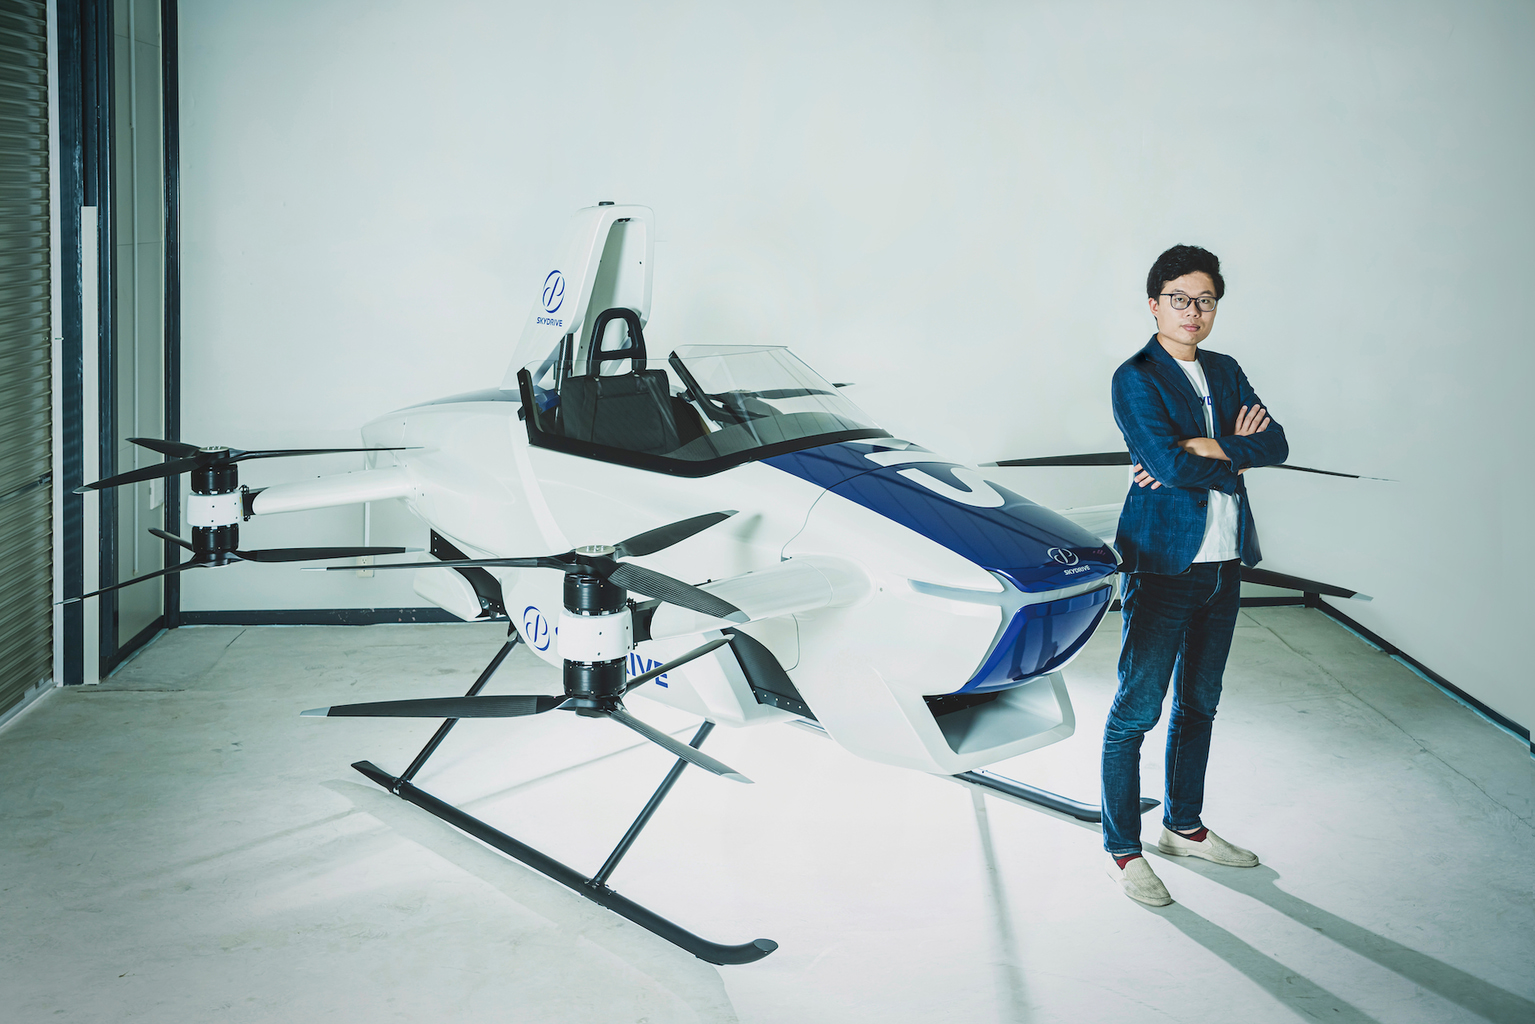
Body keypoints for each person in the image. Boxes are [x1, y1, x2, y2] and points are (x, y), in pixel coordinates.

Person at [1102, 244, 1288, 906]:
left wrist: (1207, 446)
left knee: (1200, 703)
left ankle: (1182, 827)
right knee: (1136, 710)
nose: (1193, 311)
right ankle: (1123, 851)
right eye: (1179, 299)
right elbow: (1167, 466)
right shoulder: (1136, 377)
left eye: (1204, 300)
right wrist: (1228, 454)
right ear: (1154, 305)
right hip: (1163, 563)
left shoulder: (1225, 368)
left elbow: (1276, 444)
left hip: (1224, 563)